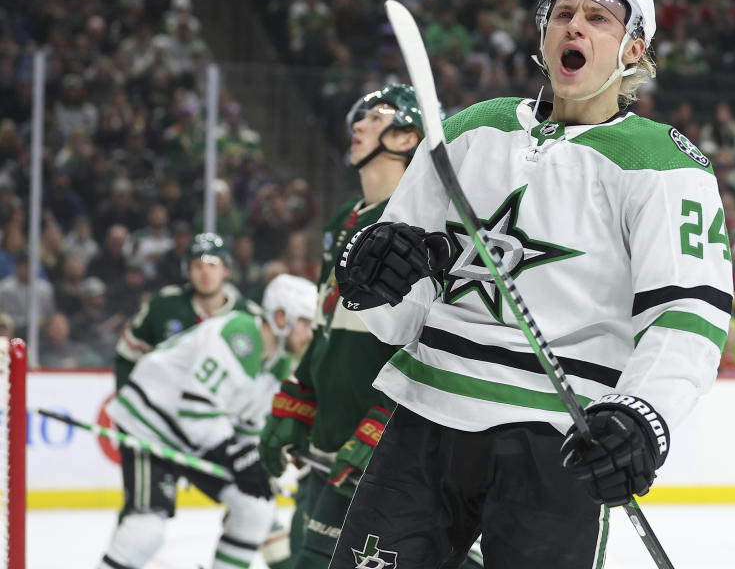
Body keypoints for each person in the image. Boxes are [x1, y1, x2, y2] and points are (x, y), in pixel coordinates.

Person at [329, 0, 732, 568]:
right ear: (543, 35)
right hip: (425, 422)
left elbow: (687, 317)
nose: (575, 26)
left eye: (598, 18)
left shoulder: (664, 164)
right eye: (563, 13)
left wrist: (642, 414)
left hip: (557, 442)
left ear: (631, 50)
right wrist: (374, 283)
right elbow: (398, 312)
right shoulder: (471, 130)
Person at [257, 84, 480, 569]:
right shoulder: (345, 218)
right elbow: (324, 327)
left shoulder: (430, 222)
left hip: (385, 449)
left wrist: (382, 422)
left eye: (374, 117)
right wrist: (301, 397)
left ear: (407, 137)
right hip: (330, 446)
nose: (355, 125)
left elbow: (435, 339)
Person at [97, 273, 318, 569]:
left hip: (195, 436)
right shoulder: (239, 335)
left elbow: (247, 427)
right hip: (151, 427)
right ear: (281, 317)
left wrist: (253, 459)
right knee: (146, 531)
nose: (310, 334)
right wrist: (240, 459)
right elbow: (197, 408)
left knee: (256, 508)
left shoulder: (279, 360)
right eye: (305, 323)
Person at [114, 231, 262, 389]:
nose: (205, 273)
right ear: (187, 271)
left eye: (212, 265)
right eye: (198, 266)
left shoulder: (248, 315)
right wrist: (126, 397)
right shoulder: (162, 305)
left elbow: (266, 366)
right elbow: (127, 355)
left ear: (226, 270)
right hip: (166, 405)